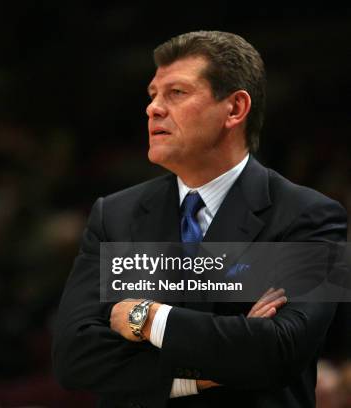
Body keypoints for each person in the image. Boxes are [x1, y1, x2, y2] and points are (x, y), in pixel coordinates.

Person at [52, 31, 348, 407]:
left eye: (176, 93)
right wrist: (208, 372)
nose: (153, 108)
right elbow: (73, 359)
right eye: (152, 95)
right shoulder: (114, 214)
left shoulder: (311, 216)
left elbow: (280, 350)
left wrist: (146, 318)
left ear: (235, 108)